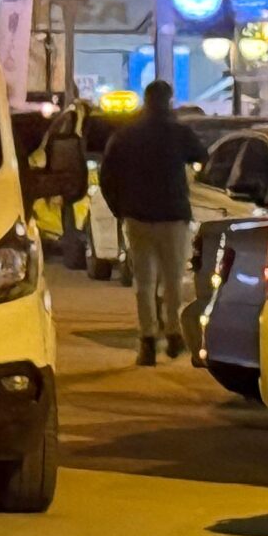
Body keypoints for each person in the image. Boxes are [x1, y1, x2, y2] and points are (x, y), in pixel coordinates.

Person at [97, 79, 206, 365]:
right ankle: (172, 333)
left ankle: (147, 341)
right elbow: (201, 155)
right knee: (172, 280)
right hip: (173, 216)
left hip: (138, 217)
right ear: (169, 100)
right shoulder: (177, 132)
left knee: (143, 282)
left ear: (145, 101)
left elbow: (106, 175)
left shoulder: (126, 135)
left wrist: (120, 208)